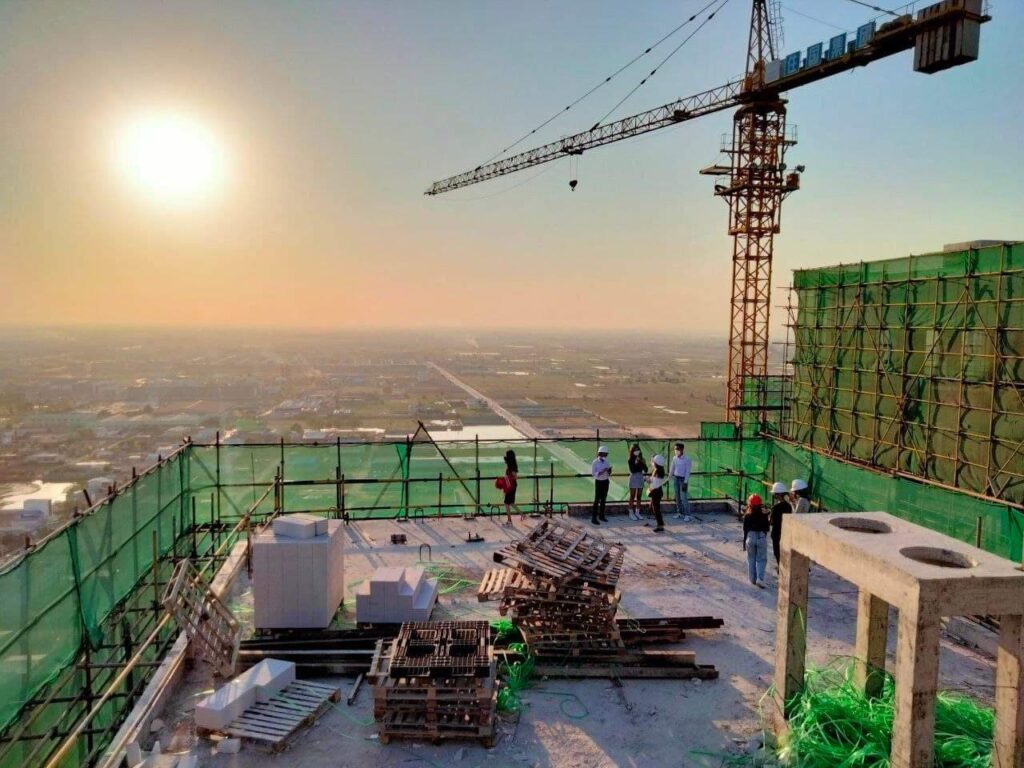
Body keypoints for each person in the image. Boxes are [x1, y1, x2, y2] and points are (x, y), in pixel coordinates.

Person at [743, 493, 770, 588]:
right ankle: (760, 579)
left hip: (750, 537)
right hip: (761, 537)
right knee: (761, 559)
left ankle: (752, 579)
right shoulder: (764, 515)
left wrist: (744, 544)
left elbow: (745, 530)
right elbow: (767, 529)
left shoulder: (747, 515)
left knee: (751, 559)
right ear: (760, 504)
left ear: (749, 504)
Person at [769, 481, 792, 570]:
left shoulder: (775, 507)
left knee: (777, 552)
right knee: (784, 552)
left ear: (777, 495)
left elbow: (771, 522)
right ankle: (783, 567)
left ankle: (781, 570)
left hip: (776, 533)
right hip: (785, 532)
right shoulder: (788, 506)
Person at [669, 442, 692, 519]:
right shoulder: (674, 458)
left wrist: (685, 482)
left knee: (684, 497)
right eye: (675, 449)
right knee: (677, 497)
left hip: (683, 480)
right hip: (676, 478)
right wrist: (669, 476)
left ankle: (687, 514)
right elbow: (672, 468)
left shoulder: (687, 459)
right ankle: (679, 512)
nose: (676, 450)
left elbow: (687, 471)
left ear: (682, 449)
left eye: (678, 449)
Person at [501, 449, 524, 526]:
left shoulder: (512, 466)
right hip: (511, 485)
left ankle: (509, 521)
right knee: (510, 502)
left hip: (511, 486)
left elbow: (515, 477)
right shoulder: (511, 464)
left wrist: (508, 478)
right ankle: (522, 514)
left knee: (506, 503)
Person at [591, 446, 612, 526]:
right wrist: (602, 471)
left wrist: (609, 471)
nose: (606, 455)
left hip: (606, 481)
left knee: (603, 499)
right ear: (601, 453)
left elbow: (608, 473)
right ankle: (594, 518)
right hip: (599, 482)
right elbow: (593, 474)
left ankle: (601, 515)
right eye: (605, 454)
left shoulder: (607, 461)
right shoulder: (595, 462)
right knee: (597, 500)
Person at [627, 443, 648, 521]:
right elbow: (633, 470)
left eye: (638, 450)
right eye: (635, 450)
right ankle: (631, 513)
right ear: (632, 451)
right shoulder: (630, 459)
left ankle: (637, 512)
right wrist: (636, 463)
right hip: (633, 477)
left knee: (639, 496)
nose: (636, 451)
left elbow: (646, 469)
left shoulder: (642, 459)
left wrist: (641, 462)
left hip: (640, 477)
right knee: (632, 496)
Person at [647, 454, 667, 533]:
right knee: (652, 507)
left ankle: (660, 525)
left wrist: (647, 480)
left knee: (656, 509)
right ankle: (658, 522)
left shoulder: (657, 472)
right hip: (658, 491)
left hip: (655, 492)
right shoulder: (659, 470)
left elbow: (653, 483)